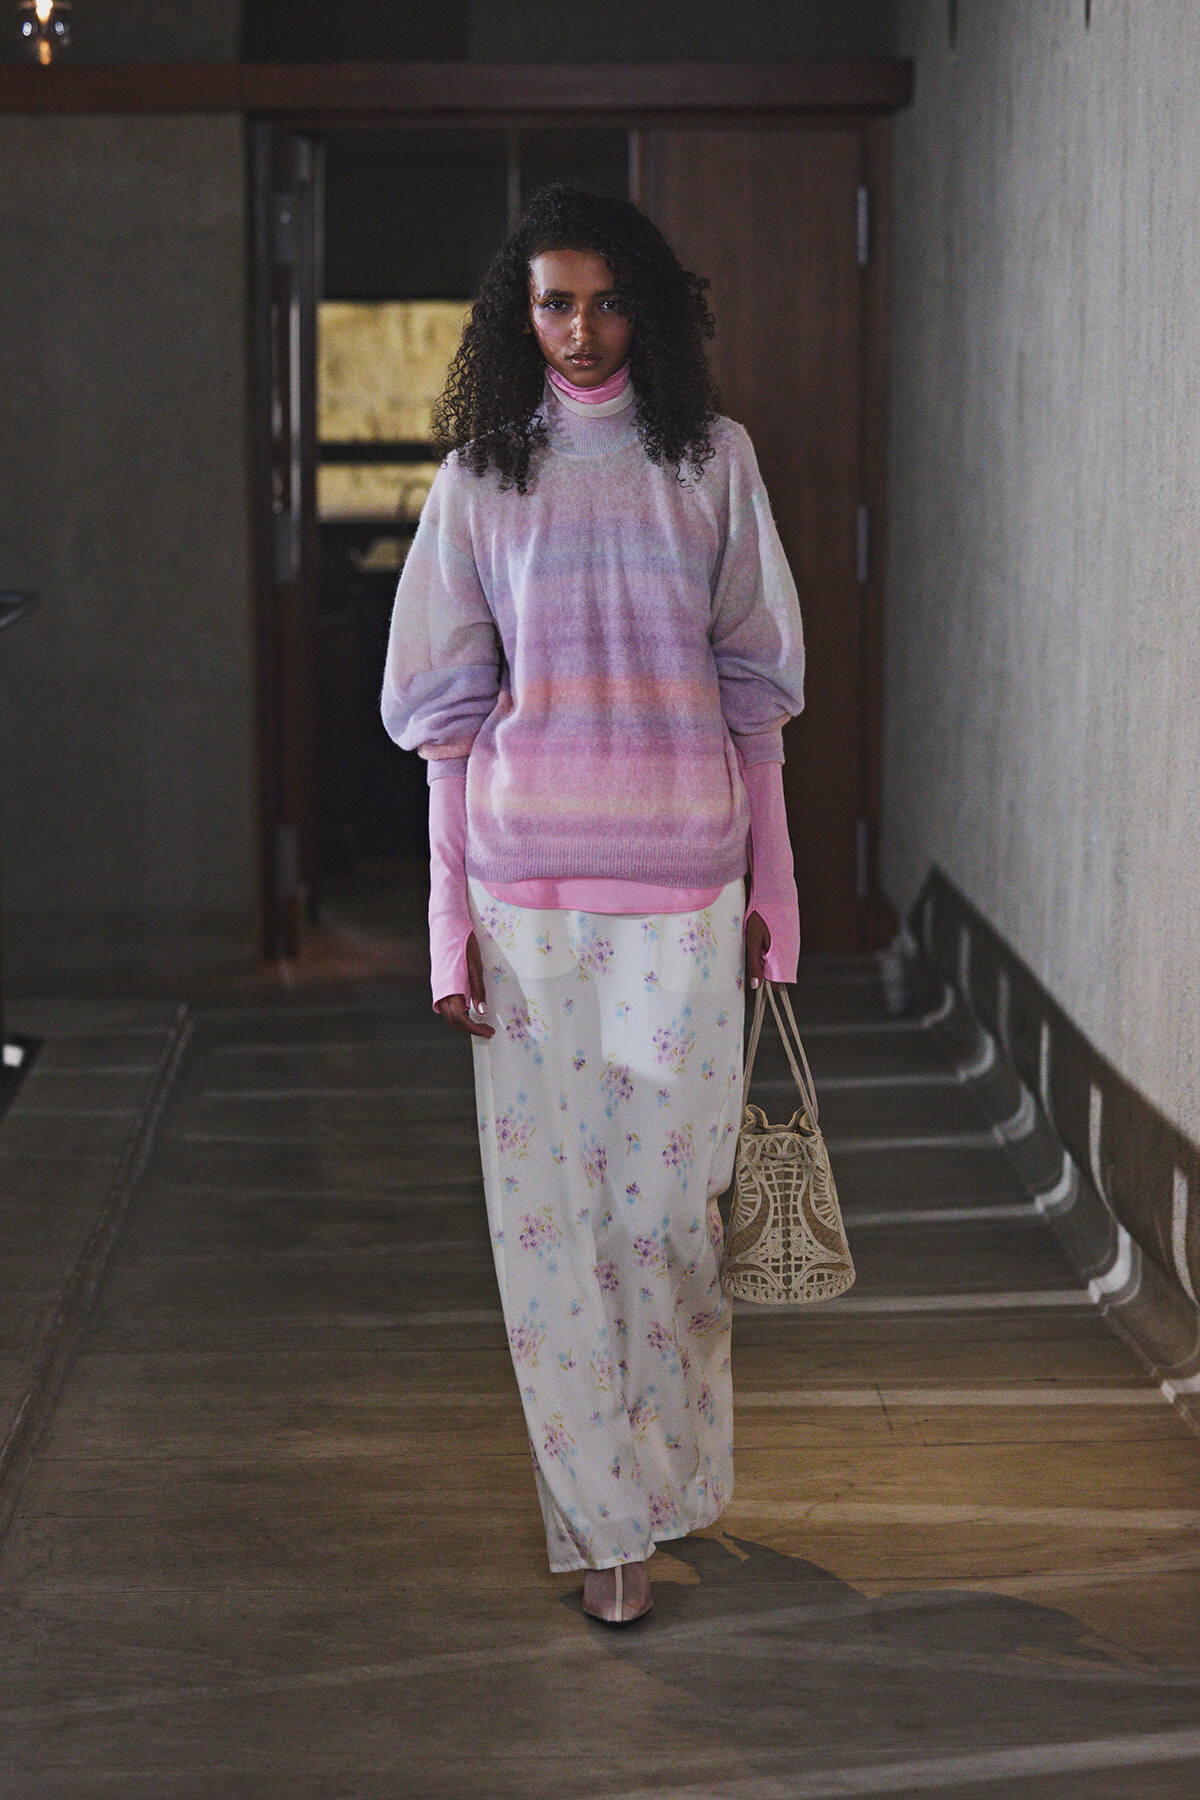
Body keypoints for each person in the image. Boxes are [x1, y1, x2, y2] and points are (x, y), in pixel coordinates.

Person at [382, 185, 805, 1625]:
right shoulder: (480, 480)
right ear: (520, 313)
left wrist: (778, 898)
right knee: (550, 1229)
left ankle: (669, 1483)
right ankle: (605, 1527)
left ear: (649, 310)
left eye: (605, 300)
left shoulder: (714, 463)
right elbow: (443, 721)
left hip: (687, 895)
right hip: (525, 905)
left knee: (669, 1223)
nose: (578, 329)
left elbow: (758, 697)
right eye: (552, 302)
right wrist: (448, 926)